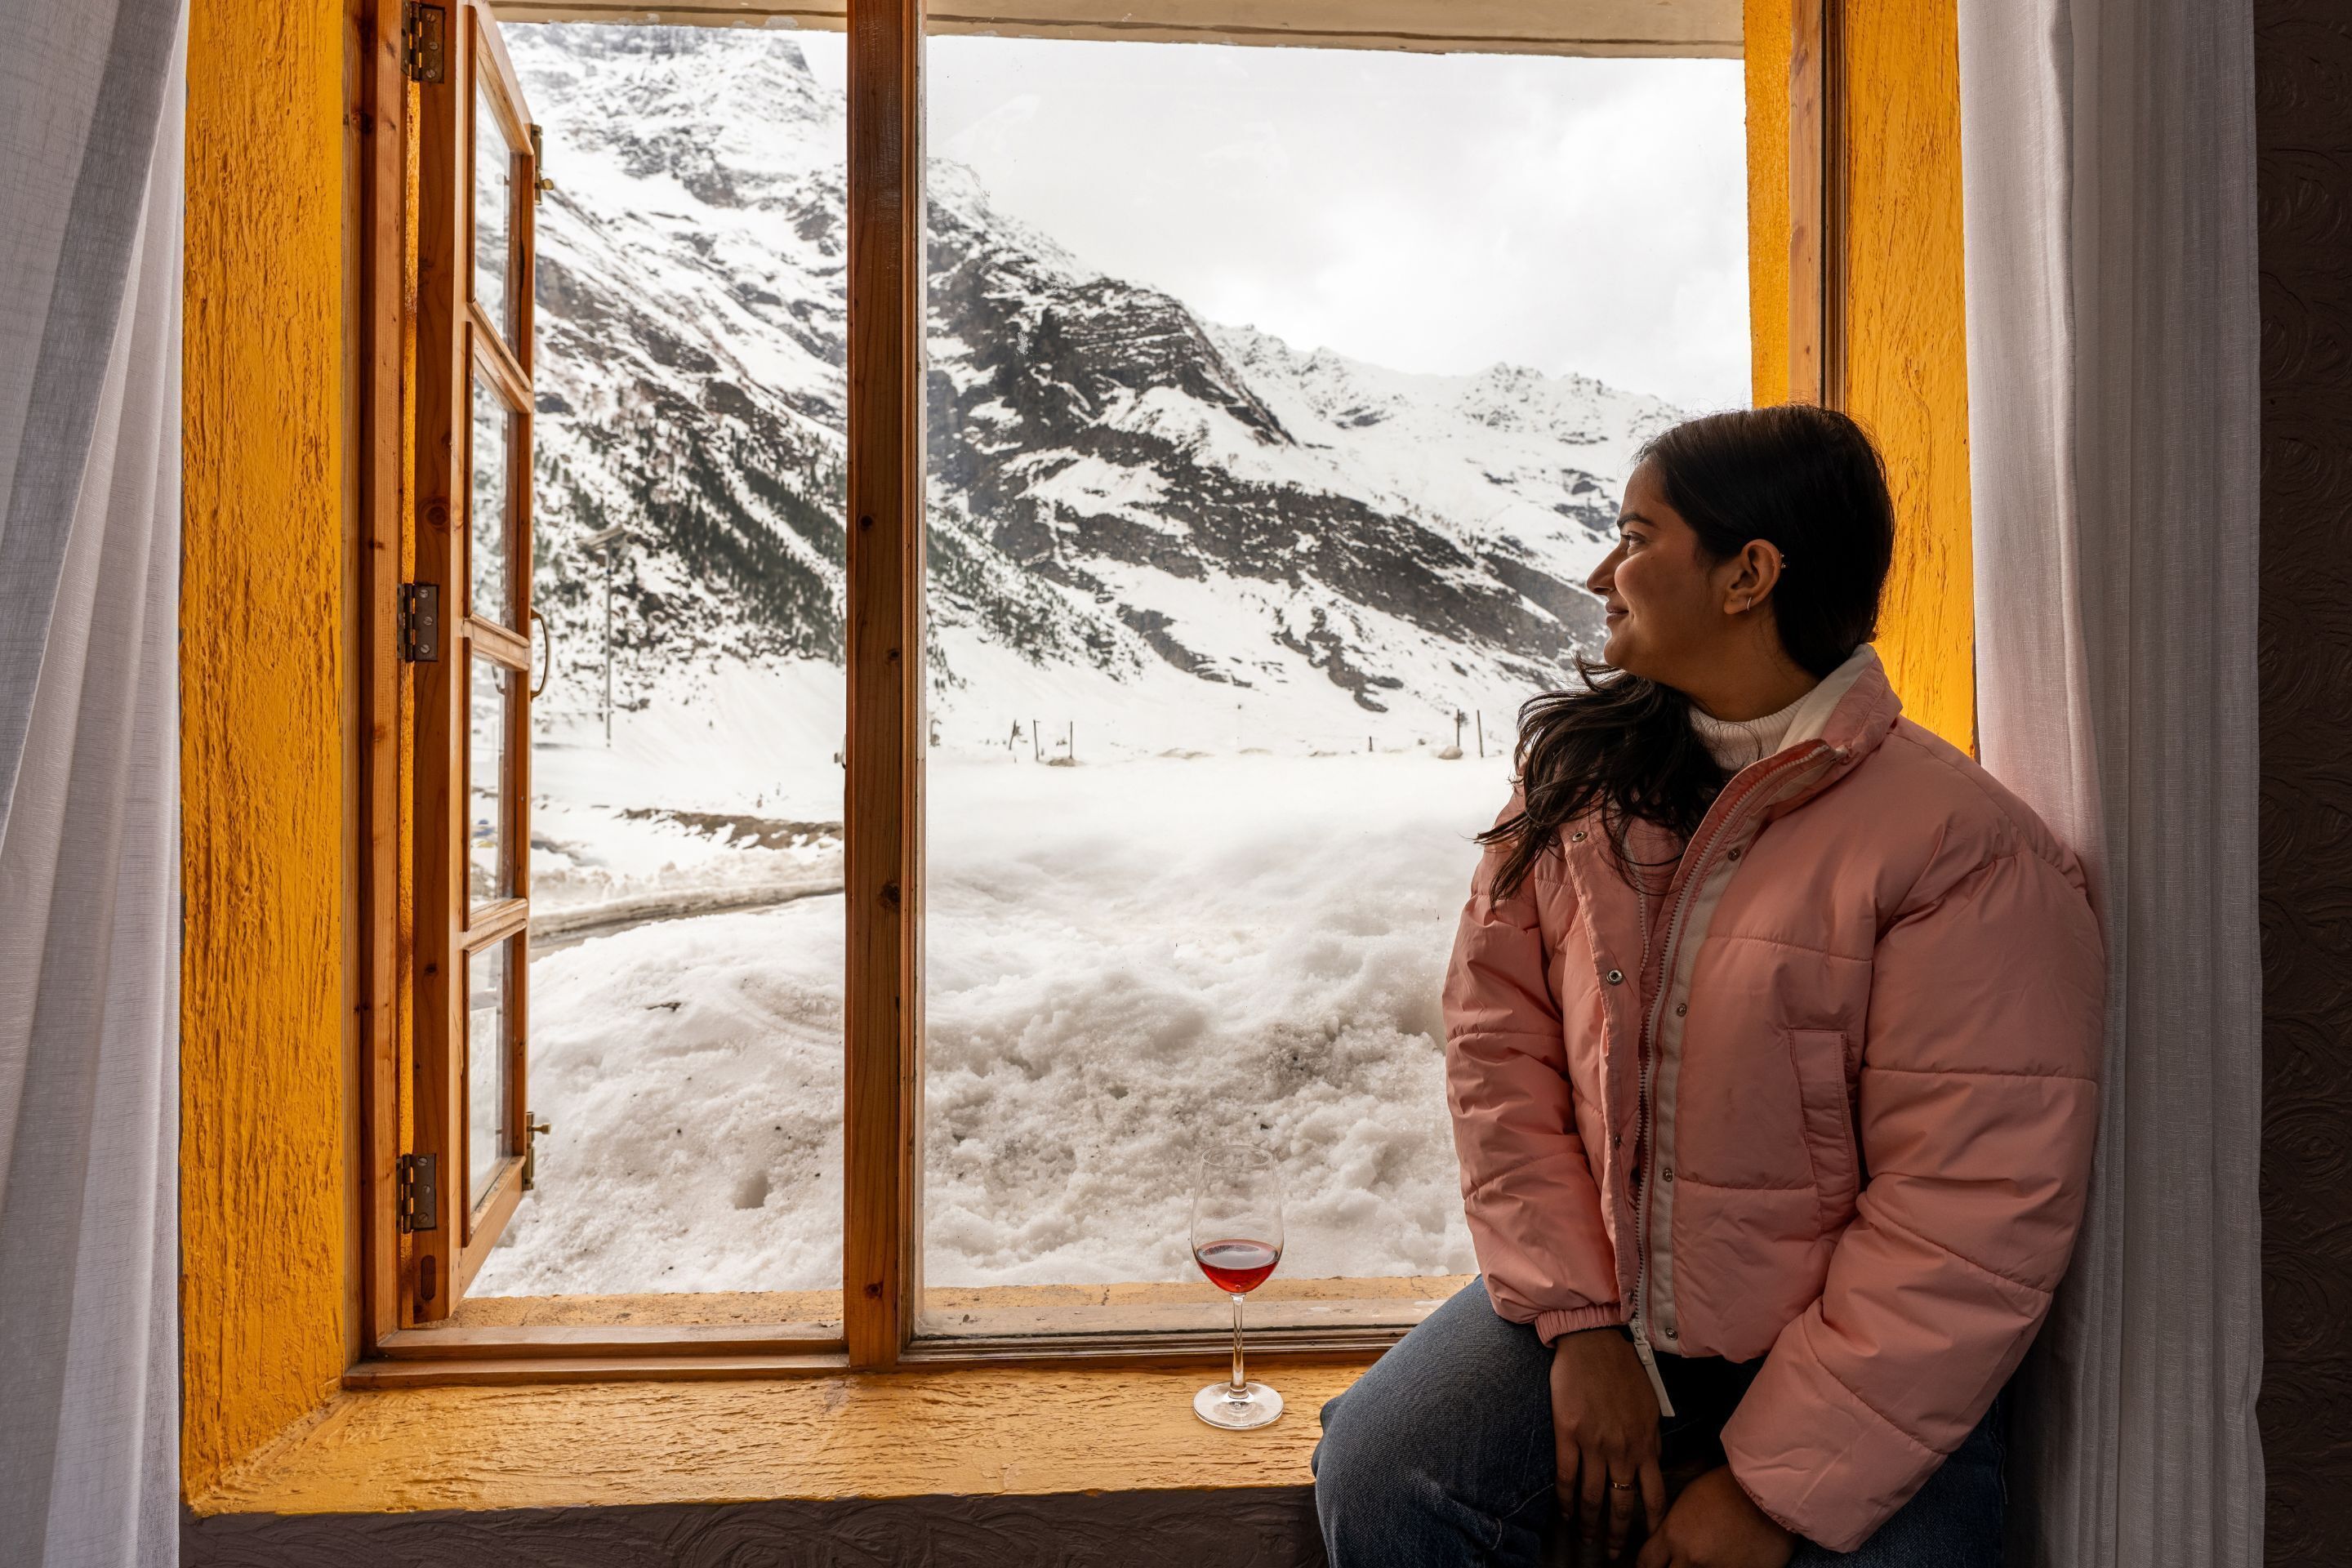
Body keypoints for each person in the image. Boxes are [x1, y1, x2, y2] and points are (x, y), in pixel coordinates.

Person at [1312, 405, 2105, 1566]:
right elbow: (1500, 1056)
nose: (1600, 570)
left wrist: (1771, 1493)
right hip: (1616, 1313)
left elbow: (1969, 1215)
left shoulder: (1965, 852)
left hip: (1860, 1354)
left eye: (1635, 537)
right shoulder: (1580, 789)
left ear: (1749, 575)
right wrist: (1581, 1328)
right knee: (1389, 1478)